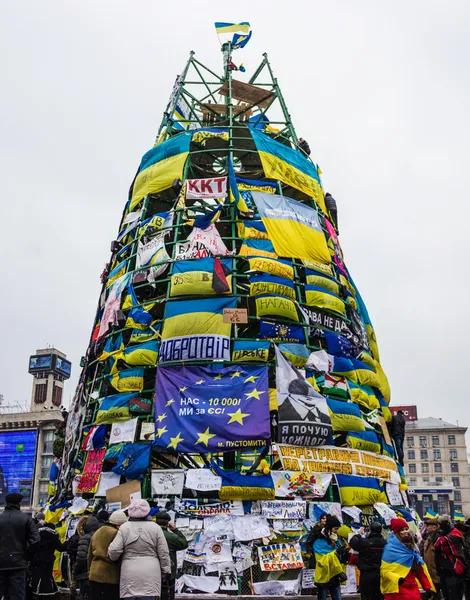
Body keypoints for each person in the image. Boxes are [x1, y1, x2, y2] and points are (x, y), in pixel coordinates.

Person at [108, 499, 171, 600]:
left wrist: (114, 558)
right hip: (151, 573)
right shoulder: (155, 528)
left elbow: (114, 551)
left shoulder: (124, 528)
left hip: (129, 572)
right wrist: (166, 570)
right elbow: (163, 552)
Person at [380, 517, 434, 600]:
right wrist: (397, 579)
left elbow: (419, 570)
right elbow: (385, 571)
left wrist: (427, 587)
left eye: (406, 529)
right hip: (397, 590)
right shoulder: (390, 549)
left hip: (413, 589)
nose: (405, 532)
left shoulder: (412, 548)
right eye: (402, 530)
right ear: (397, 532)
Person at [0, 492, 40, 600]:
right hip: (18, 563)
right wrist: (28, 556)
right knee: (17, 595)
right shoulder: (25, 519)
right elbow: (35, 540)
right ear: (20, 502)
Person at [88, 510, 128, 600]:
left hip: (94, 573)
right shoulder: (117, 533)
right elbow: (119, 556)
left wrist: (89, 570)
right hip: (110, 575)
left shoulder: (97, 532)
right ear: (119, 525)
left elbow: (89, 555)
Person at [154, 511, 188, 600]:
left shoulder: (150, 534)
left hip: (152, 570)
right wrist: (175, 530)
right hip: (168, 571)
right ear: (168, 523)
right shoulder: (171, 536)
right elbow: (184, 543)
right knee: (167, 594)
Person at [29, 521, 67, 598]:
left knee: (37, 576)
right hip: (48, 561)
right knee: (47, 576)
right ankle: (47, 592)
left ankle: (36, 591)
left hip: (36, 560)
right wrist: (68, 542)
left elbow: (31, 548)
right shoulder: (53, 536)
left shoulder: (36, 535)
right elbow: (61, 548)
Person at [313, 515, 347, 600]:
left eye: (338, 529)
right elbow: (321, 561)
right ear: (329, 529)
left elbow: (338, 560)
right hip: (323, 576)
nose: (337, 531)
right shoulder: (318, 543)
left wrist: (345, 554)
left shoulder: (337, 541)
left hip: (335, 575)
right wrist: (335, 553)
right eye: (335, 529)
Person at [350, 522, 386, 600]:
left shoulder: (364, 542)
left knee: (367, 597)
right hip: (381, 574)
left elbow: (353, 542)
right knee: (380, 596)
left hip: (366, 575)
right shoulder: (385, 543)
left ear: (370, 531)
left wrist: (358, 534)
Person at [434, 514, 465, 600]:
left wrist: (440, 532)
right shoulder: (448, 533)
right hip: (446, 572)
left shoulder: (454, 535)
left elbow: (438, 543)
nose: (438, 527)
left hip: (453, 573)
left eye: (439, 525)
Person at [75, 516, 99, 600]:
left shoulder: (85, 537)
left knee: (84, 595)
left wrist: (77, 568)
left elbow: (81, 557)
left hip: (85, 573)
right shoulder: (99, 536)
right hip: (97, 572)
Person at [423, 518, 441, 598]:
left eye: (428, 526)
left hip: (436, 571)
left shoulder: (437, 538)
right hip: (430, 570)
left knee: (437, 592)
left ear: (434, 527)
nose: (426, 528)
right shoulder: (429, 538)